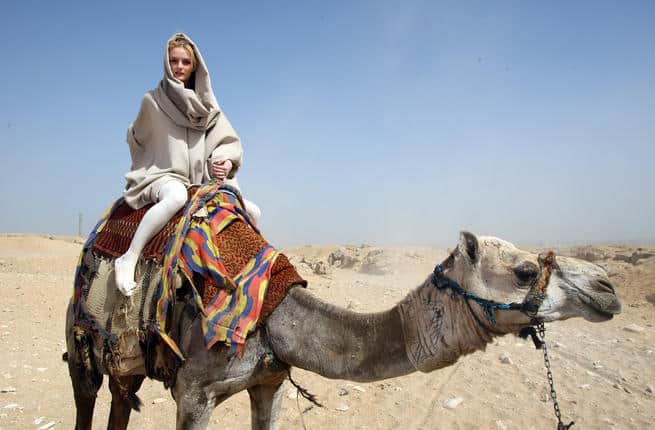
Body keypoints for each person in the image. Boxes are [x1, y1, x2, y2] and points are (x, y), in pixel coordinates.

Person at [115, 33, 258, 296]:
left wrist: (224, 161)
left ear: (194, 66)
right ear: (166, 64)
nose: (179, 67)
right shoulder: (153, 101)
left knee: (252, 210)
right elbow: (139, 137)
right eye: (174, 61)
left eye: (185, 62)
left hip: (199, 178)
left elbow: (226, 140)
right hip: (162, 174)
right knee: (176, 196)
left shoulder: (207, 105)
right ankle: (129, 258)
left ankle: (248, 273)